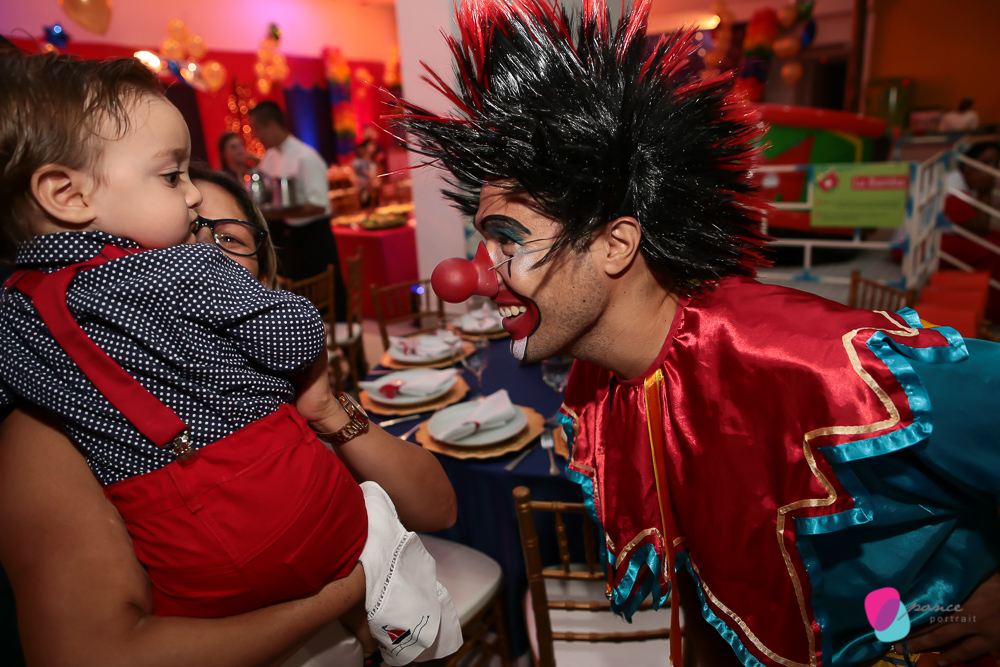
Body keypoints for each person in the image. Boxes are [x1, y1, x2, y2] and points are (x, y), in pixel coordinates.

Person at [393, 2, 1000, 666]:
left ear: (617, 244)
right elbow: (715, 592)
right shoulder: (614, 390)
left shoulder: (825, 366)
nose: (471, 277)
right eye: (480, 243)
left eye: (508, 242)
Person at [0, 48, 458, 664]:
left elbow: (436, 505)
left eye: (229, 240)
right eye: (188, 238)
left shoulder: (275, 374)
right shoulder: (47, 429)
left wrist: (326, 408)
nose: (200, 245)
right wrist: (349, 585)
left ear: (262, 270)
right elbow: (93, 651)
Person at [248, 101, 348, 318]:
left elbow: (319, 206)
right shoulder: (270, 157)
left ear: (272, 125)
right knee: (298, 305)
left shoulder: (307, 157)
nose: (256, 136)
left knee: (326, 303)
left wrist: (278, 213)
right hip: (287, 240)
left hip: (314, 239)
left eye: (257, 129)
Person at [941, 140, 1000, 321]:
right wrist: (986, 190)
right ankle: (993, 313)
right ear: (968, 165)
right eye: (985, 163)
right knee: (992, 251)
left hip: (944, 233)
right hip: (925, 242)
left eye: (995, 164)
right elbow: (978, 227)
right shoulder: (954, 187)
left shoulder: (961, 181)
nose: (991, 169)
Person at [352, 138, 380, 208]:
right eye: (370, 144)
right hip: (363, 191)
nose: (373, 146)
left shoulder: (373, 162)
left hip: (373, 191)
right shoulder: (358, 162)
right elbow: (353, 177)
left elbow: (375, 176)